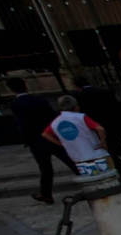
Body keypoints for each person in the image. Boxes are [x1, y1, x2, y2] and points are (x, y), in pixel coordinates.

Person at [8, 76, 75, 204]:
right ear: (25, 85)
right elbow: (52, 117)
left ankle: (46, 194)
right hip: (50, 135)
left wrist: (25, 138)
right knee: (69, 160)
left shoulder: (16, 104)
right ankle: (86, 179)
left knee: (45, 168)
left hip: (35, 140)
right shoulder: (40, 100)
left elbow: (22, 123)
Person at [74, 73, 121, 175]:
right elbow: (115, 107)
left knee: (112, 151)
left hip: (97, 126)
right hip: (113, 124)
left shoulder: (80, 97)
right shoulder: (103, 92)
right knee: (115, 147)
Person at [42, 96, 112, 167]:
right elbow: (100, 129)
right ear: (75, 106)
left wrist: (61, 143)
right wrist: (103, 142)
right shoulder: (81, 117)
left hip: (76, 156)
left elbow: (46, 134)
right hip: (95, 152)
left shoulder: (55, 122)